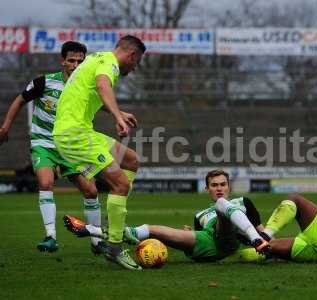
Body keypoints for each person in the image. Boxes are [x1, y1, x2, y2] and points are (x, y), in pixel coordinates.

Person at [0, 41, 104, 254]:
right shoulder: (44, 82)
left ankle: (96, 241)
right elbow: (20, 100)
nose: (75, 65)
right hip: (44, 143)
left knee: (91, 190)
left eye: (80, 61)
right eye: (71, 60)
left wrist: (120, 114)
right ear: (62, 61)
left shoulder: (87, 86)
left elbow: (102, 104)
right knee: (46, 183)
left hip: (70, 146)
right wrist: (5, 127)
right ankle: (50, 237)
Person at [53, 35, 146, 271]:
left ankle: (114, 225)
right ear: (132, 55)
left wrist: (119, 111)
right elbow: (103, 85)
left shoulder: (99, 58)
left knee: (132, 160)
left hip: (83, 131)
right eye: (136, 64)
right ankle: (114, 246)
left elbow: (94, 91)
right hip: (74, 135)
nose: (134, 69)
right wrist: (117, 117)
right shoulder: (110, 65)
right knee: (121, 184)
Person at [63, 169, 270, 262]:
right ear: (207, 188)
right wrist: (189, 232)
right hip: (206, 243)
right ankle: (92, 231)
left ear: (229, 186)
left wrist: (259, 241)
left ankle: (91, 230)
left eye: (222, 184)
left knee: (222, 205)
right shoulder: (200, 214)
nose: (219, 188)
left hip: (229, 241)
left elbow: (263, 231)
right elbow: (201, 235)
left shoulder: (242, 203)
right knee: (152, 229)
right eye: (214, 185)